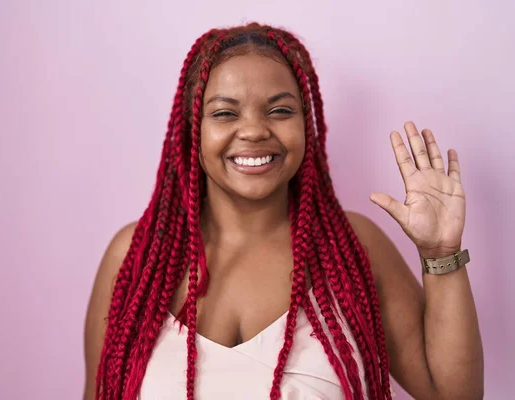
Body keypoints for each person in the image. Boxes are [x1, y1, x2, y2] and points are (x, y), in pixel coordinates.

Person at [82, 23, 484, 400]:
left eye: (280, 111)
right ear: (193, 129)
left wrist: (440, 252)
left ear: (306, 126)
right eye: (225, 113)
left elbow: (452, 393)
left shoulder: (352, 246)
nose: (255, 131)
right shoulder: (135, 254)